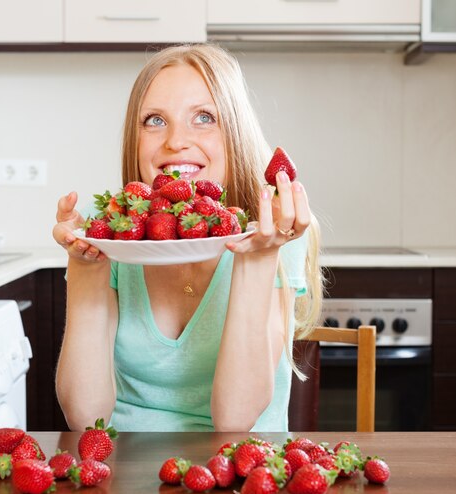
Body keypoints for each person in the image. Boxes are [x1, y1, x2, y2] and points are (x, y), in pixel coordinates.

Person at [52, 43, 322, 432]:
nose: (176, 140)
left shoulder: (274, 233)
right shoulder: (112, 232)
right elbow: (84, 417)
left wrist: (258, 259)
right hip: (124, 471)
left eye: (204, 117)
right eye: (155, 121)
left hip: (237, 471)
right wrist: (86, 266)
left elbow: (235, 421)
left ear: (236, 133)